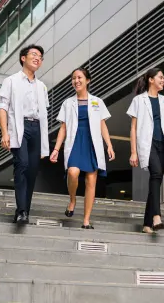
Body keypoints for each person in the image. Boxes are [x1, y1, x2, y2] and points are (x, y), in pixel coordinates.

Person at [50, 67, 115, 229]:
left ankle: (86, 220)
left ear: (88, 80)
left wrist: (109, 145)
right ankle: (72, 200)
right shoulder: (67, 102)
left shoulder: (97, 102)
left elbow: (102, 125)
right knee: (72, 172)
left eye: (79, 78)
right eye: (74, 78)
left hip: (92, 143)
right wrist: (56, 149)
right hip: (75, 143)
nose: (76, 81)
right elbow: (63, 128)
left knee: (91, 181)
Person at [127, 68, 164, 234]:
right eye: (161, 77)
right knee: (156, 175)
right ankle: (156, 216)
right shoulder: (139, 100)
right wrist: (133, 152)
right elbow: (133, 128)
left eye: (163, 77)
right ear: (151, 79)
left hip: (163, 145)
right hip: (148, 143)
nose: (163, 80)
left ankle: (146, 225)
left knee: (156, 183)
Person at [0, 44, 49, 225]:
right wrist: (5, 133)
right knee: (23, 165)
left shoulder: (42, 86)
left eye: (40, 57)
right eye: (34, 54)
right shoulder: (11, 81)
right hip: (20, 128)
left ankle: (25, 210)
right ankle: (21, 211)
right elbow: (2, 108)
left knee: (33, 172)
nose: (38, 58)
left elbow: (43, 114)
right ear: (23, 58)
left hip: (37, 129)